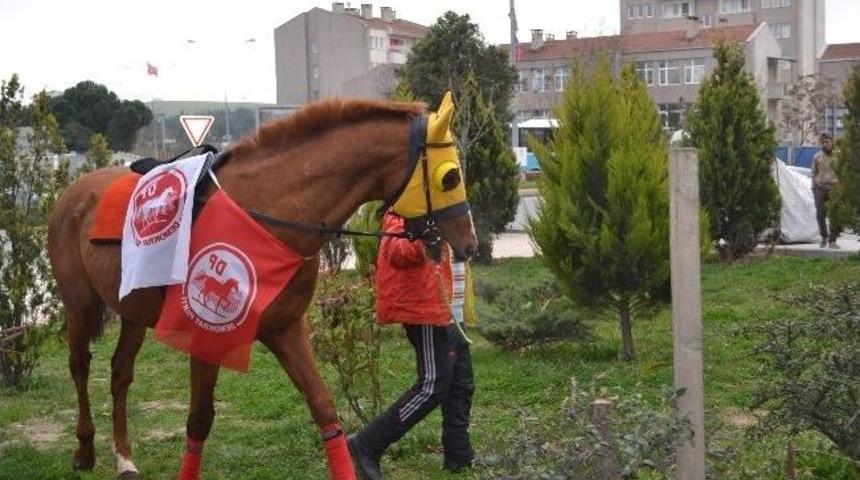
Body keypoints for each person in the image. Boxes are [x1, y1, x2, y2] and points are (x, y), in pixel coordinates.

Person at [348, 210, 475, 480]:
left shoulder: (447, 201)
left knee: (461, 384)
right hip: (428, 310)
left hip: (453, 309)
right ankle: (365, 445)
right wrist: (425, 241)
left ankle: (459, 456)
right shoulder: (405, 207)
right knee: (433, 385)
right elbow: (395, 250)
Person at [811, 132, 840, 249]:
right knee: (820, 215)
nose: (825, 144)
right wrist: (813, 187)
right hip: (820, 188)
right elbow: (813, 173)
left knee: (835, 215)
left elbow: (843, 170)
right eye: (822, 142)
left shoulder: (838, 156)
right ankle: (824, 237)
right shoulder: (817, 157)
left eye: (827, 142)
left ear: (831, 142)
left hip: (835, 188)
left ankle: (832, 240)